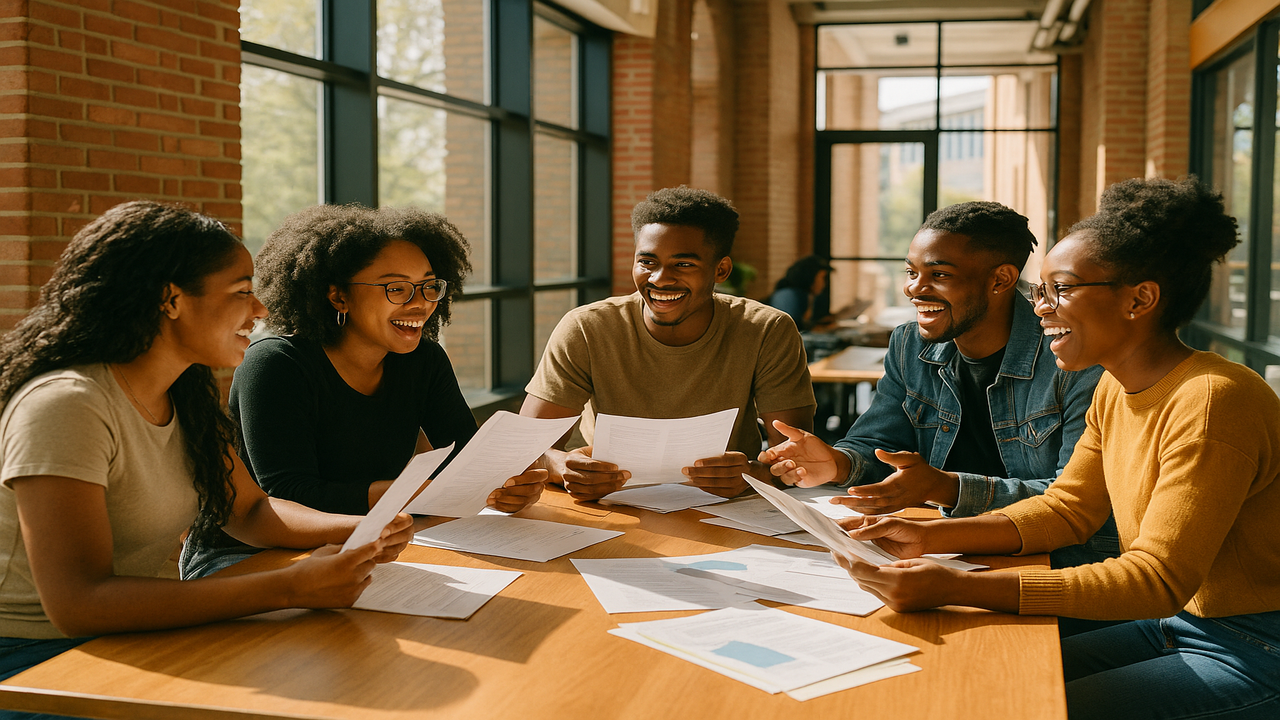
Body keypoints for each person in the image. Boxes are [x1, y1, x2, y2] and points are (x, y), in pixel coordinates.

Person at [835, 177, 1280, 720]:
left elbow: (1155, 579)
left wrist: (957, 584)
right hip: (1176, 624)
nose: (1040, 308)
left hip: (1252, 648)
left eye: (1061, 290)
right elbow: (1067, 510)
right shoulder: (1116, 385)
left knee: (1019, 709)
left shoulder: (1212, 400)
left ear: (1140, 298)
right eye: (1039, 291)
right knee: (982, 683)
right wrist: (926, 535)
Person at [0, 201, 413, 686]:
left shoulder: (183, 394)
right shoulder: (69, 405)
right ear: (171, 299)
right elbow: (79, 603)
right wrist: (288, 587)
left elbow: (251, 512)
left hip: (144, 636)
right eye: (241, 292)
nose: (259, 310)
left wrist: (365, 529)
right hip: (40, 660)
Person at [181, 204, 546, 579]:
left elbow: (467, 462)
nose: (420, 302)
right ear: (338, 297)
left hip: (381, 537)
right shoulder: (276, 364)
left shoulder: (423, 359)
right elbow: (289, 494)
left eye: (428, 285)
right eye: (396, 288)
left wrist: (504, 486)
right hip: (250, 555)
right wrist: (415, 494)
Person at [761, 202, 1117, 567]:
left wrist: (945, 488)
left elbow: (1073, 502)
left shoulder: (1072, 359)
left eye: (939, 275)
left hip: (1051, 559)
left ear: (1001, 279)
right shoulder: (909, 345)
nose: (914, 288)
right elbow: (881, 444)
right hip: (936, 546)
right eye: (911, 271)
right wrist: (838, 462)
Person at [522, 186, 816, 500]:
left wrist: (752, 475)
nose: (660, 279)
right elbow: (522, 449)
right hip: (613, 505)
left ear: (721, 269)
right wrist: (562, 465)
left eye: (683, 264)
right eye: (647, 262)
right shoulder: (587, 328)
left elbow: (796, 459)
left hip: (727, 510)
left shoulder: (767, 330)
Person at [767, 255, 832, 331]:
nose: (824, 283)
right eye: (823, 278)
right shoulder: (788, 296)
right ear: (810, 277)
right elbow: (787, 330)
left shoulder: (808, 296)